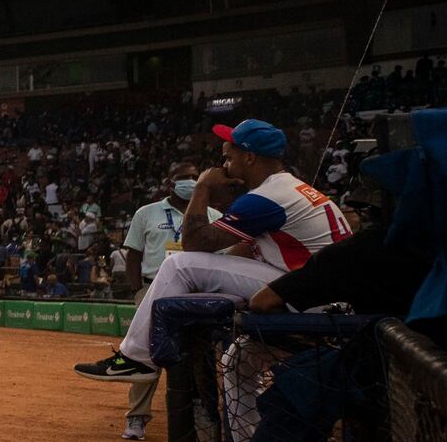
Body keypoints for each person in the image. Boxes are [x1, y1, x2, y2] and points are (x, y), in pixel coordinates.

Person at [75, 119, 350, 381]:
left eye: (229, 158)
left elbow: (192, 243)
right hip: (318, 292)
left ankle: (135, 358)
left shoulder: (267, 197)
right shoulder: (288, 189)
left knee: (178, 265)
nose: (223, 165)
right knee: (237, 365)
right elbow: (239, 253)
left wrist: (203, 187)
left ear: (250, 158)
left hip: (309, 297)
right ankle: (248, 433)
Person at [112, 161, 199, 440]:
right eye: (184, 177)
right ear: (169, 182)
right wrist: (138, 291)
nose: (191, 181)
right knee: (146, 357)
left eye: (195, 177)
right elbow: (134, 255)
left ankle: (198, 421)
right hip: (152, 291)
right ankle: (137, 419)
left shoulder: (210, 213)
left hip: (196, 294)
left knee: (197, 357)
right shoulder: (146, 213)